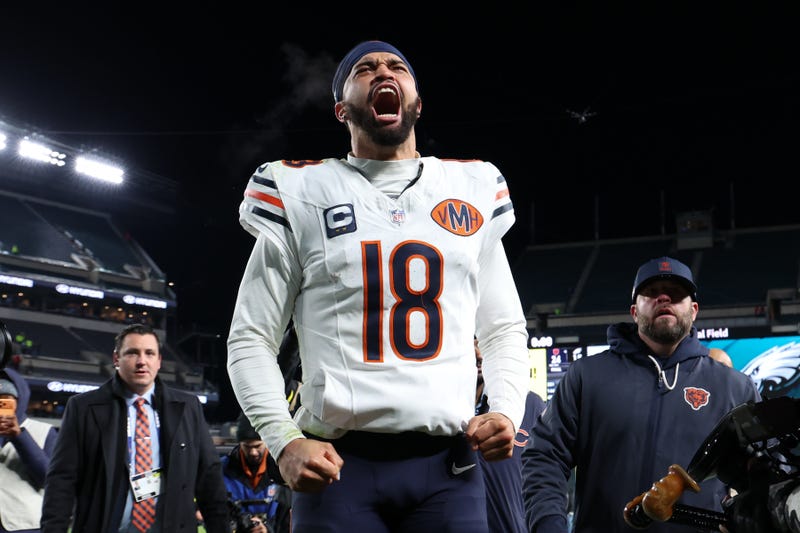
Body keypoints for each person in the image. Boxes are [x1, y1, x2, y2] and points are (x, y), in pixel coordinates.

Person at [227, 39, 530, 532]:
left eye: (396, 67)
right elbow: (250, 337)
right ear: (341, 107)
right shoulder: (301, 190)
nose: (382, 71)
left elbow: (502, 329)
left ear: (417, 101)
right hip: (338, 466)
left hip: (448, 468)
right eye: (364, 68)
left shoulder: (471, 188)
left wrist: (505, 410)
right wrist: (283, 440)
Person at [521, 256, 762, 533]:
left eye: (676, 294)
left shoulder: (734, 387)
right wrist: (548, 526)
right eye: (651, 292)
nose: (664, 298)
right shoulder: (587, 376)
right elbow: (544, 456)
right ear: (634, 311)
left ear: (694, 310)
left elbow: (762, 475)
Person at [41, 324, 230, 533]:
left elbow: (210, 479)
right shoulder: (83, 408)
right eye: (132, 353)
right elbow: (61, 481)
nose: (142, 361)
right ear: (116, 359)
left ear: (158, 361)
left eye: (149, 353)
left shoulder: (188, 407)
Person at [474, 339, 545, 533]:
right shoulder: (441, 412)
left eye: (483, 344)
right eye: (470, 344)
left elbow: (548, 473)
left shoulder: (530, 404)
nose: (478, 354)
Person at [0, 367, 58, 533]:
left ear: (20, 400)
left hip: (24, 526)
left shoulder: (44, 430)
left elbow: (47, 478)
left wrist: (19, 436)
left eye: (7, 401)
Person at [221, 413, 291, 533]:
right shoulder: (222, 469)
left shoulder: (282, 471)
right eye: (247, 447)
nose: (253, 452)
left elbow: (287, 519)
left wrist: (267, 530)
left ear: (267, 441)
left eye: (258, 446)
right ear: (239, 443)